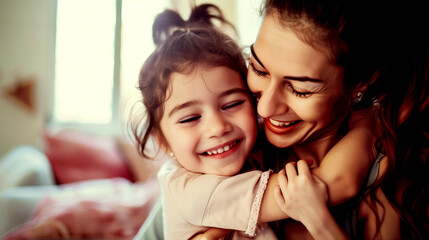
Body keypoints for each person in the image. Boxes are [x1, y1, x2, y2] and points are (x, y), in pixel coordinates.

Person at [132, 3, 379, 240]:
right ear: (161, 141)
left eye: (232, 104)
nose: (218, 127)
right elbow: (334, 183)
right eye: (260, 70)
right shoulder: (191, 192)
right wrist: (366, 124)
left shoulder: (246, 149)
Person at [246, 0, 428, 239]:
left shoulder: (386, 175)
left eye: (300, 89)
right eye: (259, 70)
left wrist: (318, 220)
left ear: (359, 84)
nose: (265, 108)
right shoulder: (238, 147)